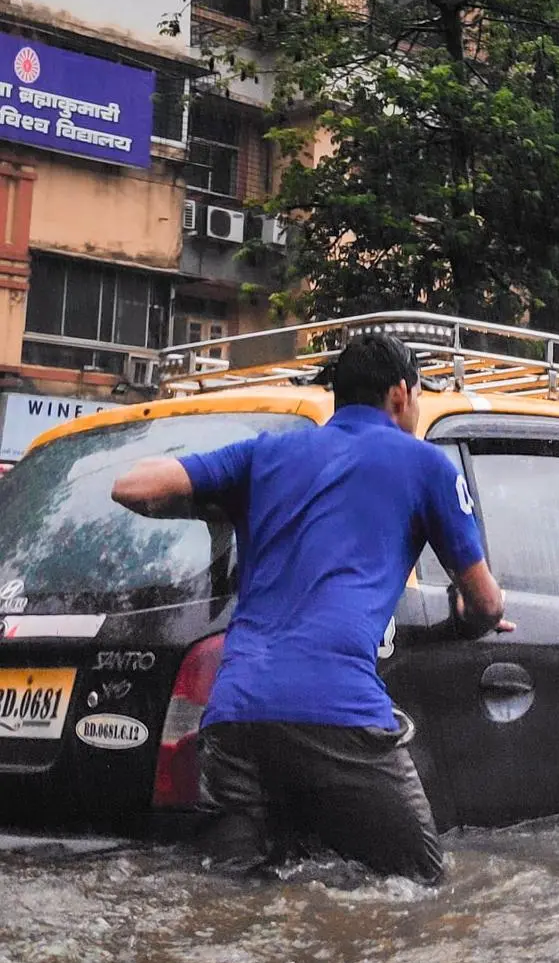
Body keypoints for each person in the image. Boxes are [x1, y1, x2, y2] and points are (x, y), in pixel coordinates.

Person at [112, 333, 510, 880]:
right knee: (422, 887)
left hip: (235, 717)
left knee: (241, 893)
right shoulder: (427, 467)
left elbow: (131, 487)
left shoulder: (265, 453)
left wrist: (218, 505)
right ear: (401, 394)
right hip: (339, 712)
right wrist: (473, 619)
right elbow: (485, 601)